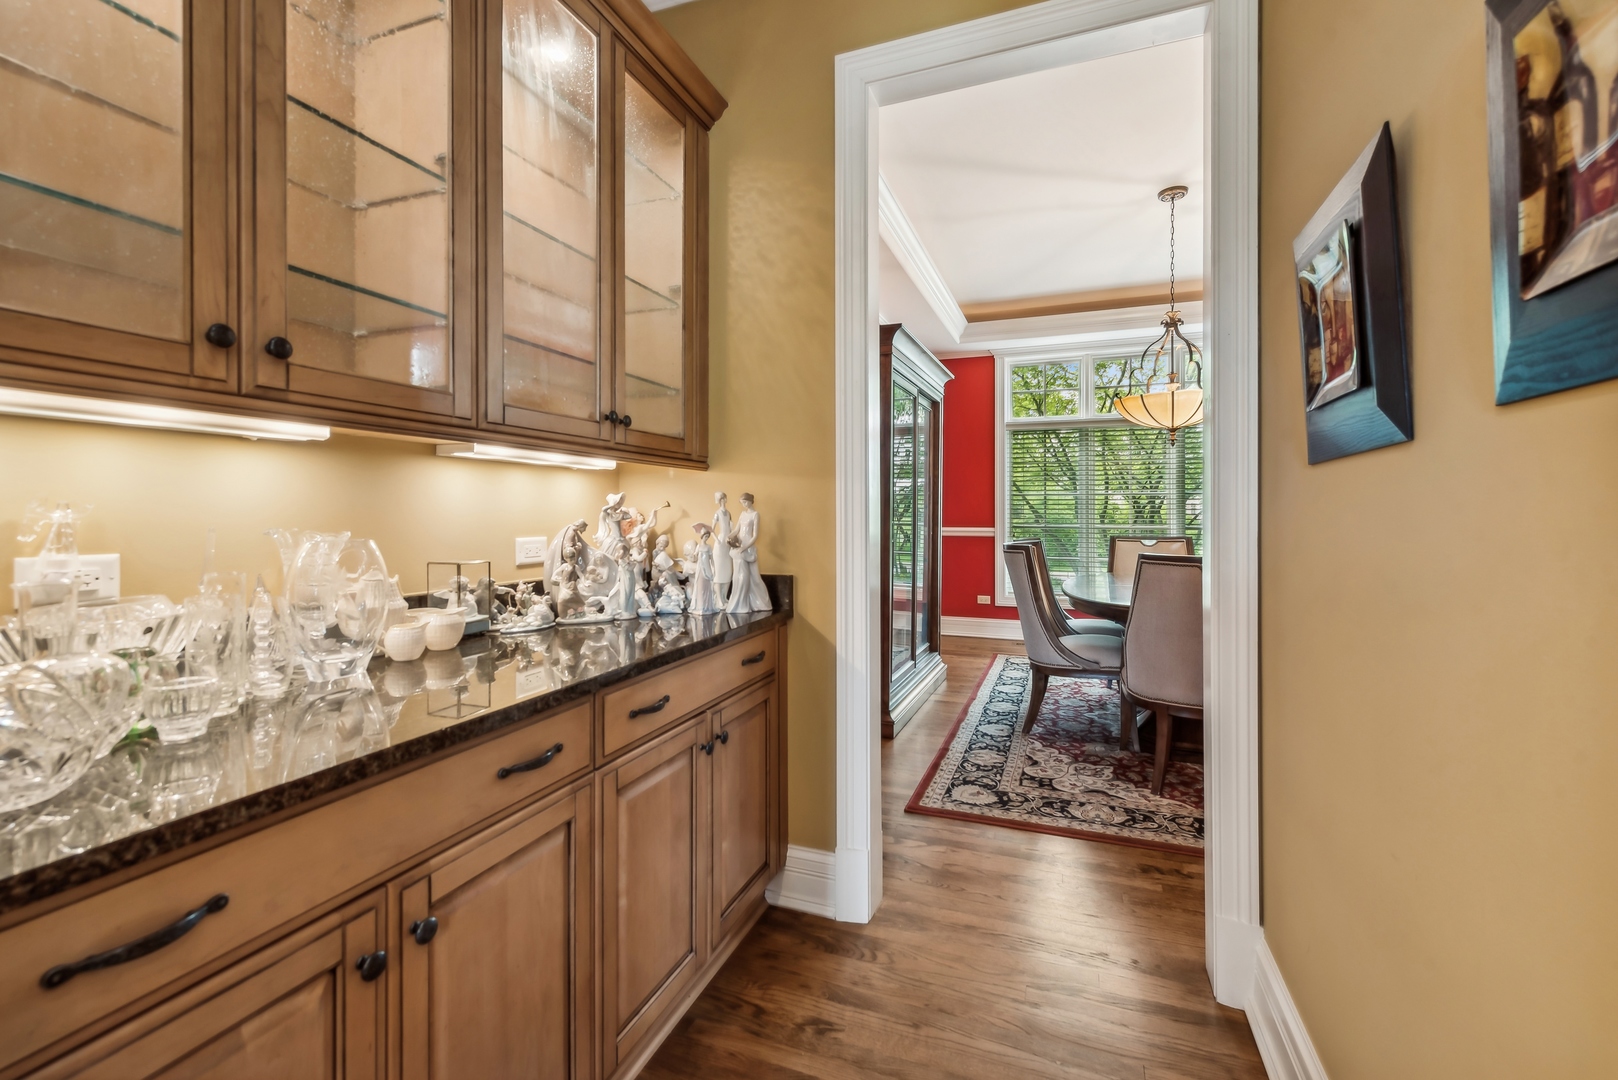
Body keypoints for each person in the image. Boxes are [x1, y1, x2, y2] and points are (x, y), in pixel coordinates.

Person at [724, 493, 771, 613]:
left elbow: (755, 535)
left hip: (748, 547)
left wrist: (744, 547)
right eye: (742, 503)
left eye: (745, 502)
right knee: (741, 575)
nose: (744, 505)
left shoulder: (755, 515)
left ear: (750, 501)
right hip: (739, 546)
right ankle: (742, 603)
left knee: (755, 577)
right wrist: (728, 537)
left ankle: (762, 603)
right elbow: (736, 530)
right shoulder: (742, 514)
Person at [712, 491, 733, 602]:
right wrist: (717, 540)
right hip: (720, 544)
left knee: (728, 571)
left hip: (727, 544)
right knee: (719, 572)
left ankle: (724, 597)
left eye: (725, 498)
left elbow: (731, 528)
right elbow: (711, 529)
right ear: (720, 500)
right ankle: (719, 599)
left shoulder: (729, 513)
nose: (725, 500)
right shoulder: (717, 513)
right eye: (723, 498)